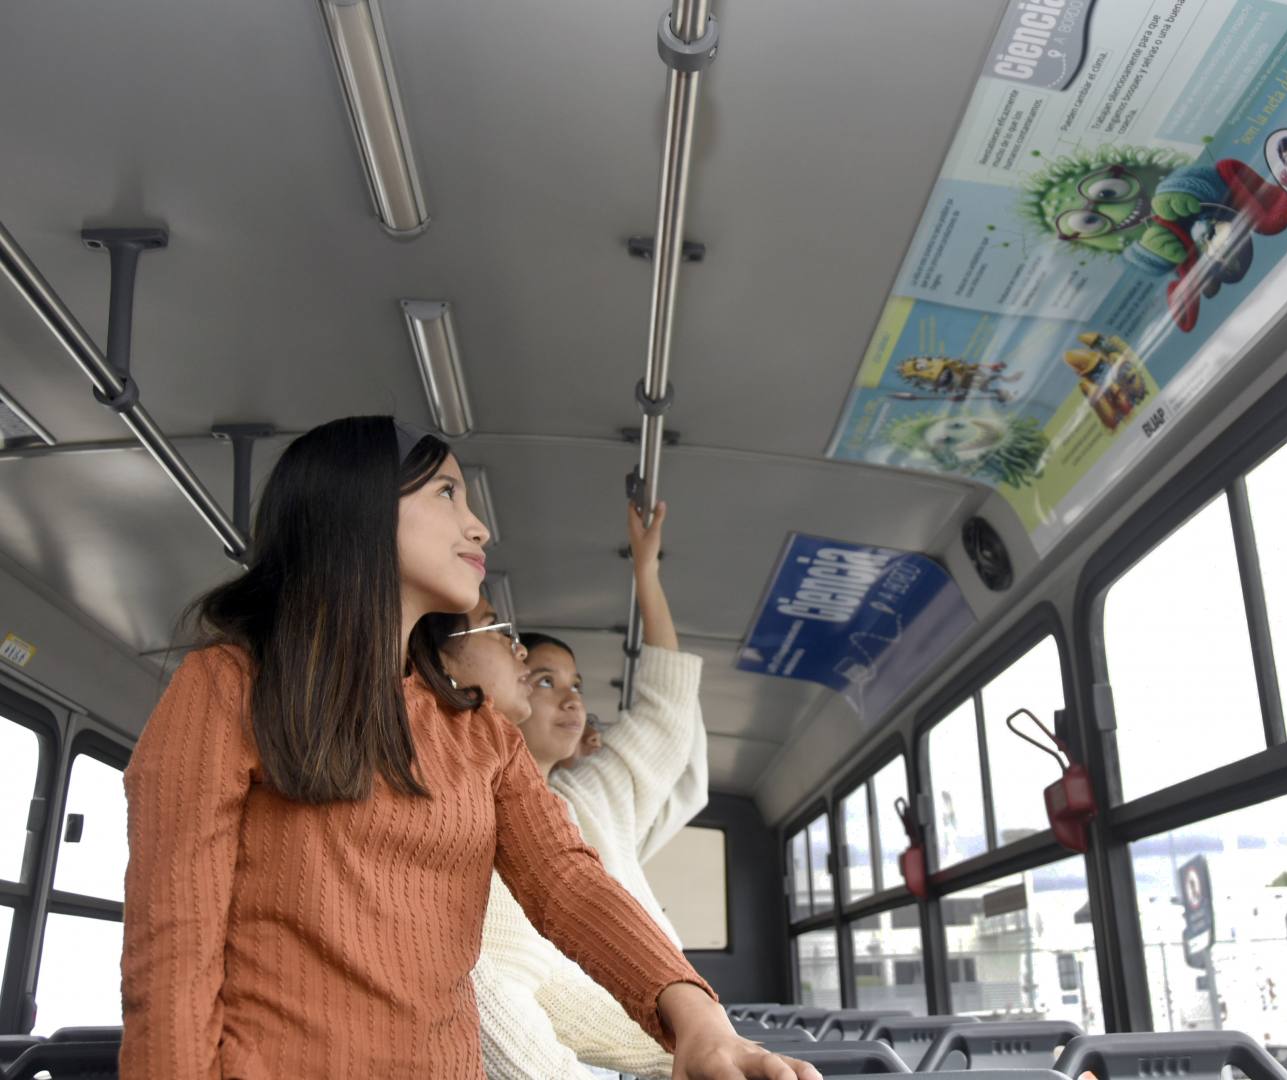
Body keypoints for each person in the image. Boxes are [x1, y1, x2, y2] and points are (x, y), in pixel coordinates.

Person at [119, 416, 815, 1080]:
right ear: (356, 508)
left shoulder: (478, 733)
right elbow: (175, 947)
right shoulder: (228, 688)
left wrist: (699, 1019)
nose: (478, 526)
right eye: (447, 493)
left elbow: (567, 882)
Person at [462, 501, 710, 1079]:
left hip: (631, 1030)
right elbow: (498, 985)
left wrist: (693, 1038)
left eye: (575, 685)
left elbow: (666, 718)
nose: (570, 699)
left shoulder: (587, 800)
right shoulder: (461, 814)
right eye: (544, 680)